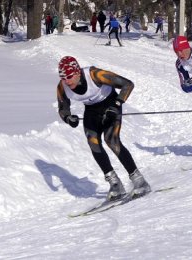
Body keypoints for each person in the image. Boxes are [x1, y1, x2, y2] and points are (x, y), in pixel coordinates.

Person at [57, 56, 151, 200]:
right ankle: (115, 184)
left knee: (111, 141)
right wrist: (68, 118)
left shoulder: (94, 75)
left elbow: (128, 84)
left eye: (69, 76)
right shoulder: (62, 86)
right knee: (93, 143)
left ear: (77, 72)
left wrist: (117, 105)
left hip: (111, 105)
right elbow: (62, 108)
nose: (67, 81)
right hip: (91, 111)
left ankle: (139, 181)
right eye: (63, 78)